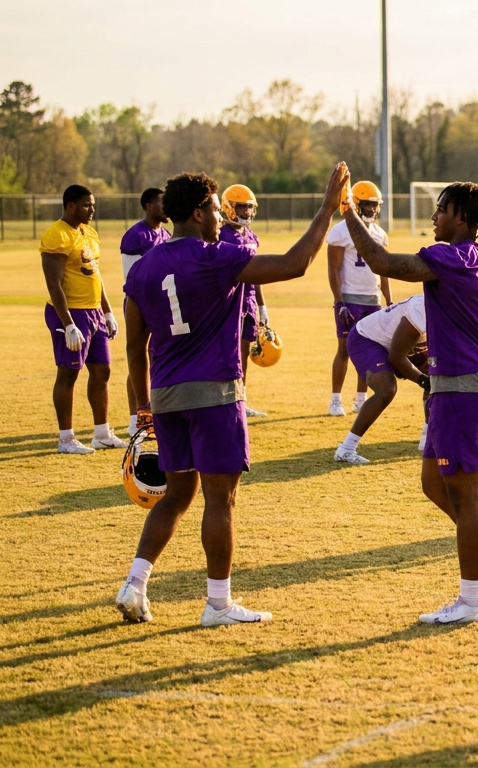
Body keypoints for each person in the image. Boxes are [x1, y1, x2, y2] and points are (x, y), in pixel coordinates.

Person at [115, 163, 350, 626]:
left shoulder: (143, 268)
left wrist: (142, 407)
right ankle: (218, 605)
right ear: (198, 213)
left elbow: (134, 347)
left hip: (165, 396)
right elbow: (295, 263)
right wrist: (328, 207)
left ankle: (135, 584)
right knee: (220, 500)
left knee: (176, 496)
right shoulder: (215, 257)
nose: (221, 217)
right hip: (215, 394)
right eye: (215, 209)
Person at [344, 181, 478, 624]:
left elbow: (381, 261)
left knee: (465, 495)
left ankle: (471, 601)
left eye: (441, 209)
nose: (434, 217)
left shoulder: (449, 257)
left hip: (461, 387)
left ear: (462, 217)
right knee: (435, 484)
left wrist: (346, 210)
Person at [41, 184, 125, 454]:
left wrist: (107, 311)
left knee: (102, 371)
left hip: (93, 312)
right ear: (71, 206)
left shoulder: (89, 232)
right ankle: (66, 439)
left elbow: (95, 275)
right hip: (71, 313)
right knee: (68, 373)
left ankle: (101, 433)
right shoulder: (57, 234)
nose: (92, 210)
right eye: (87, 205)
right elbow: (54, 284)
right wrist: (68, 325)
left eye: (93, 205)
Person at [333, 294, 428, 464]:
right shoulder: (421, 309)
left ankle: (428, 440)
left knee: (438, 376)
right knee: (386, 390)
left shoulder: (447, 308)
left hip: (397, 342)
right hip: (367, 339)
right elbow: (396, 357)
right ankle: (346, 449)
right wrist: (422, 380)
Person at [326, 180, 392, 416]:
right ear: (356, 204)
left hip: (372, 299)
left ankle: (361, 398)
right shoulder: (340, 231)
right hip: (350, 298)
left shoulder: (379, 234)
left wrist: (389, 301)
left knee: (367, 350)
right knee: (344, 349)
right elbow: (333, 269)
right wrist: (339, 301)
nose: (372, 209)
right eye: (368, 204)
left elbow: (384, 270)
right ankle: (335, 400)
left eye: (375, 205)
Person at [119, 187, 171, 437]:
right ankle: (136, 419)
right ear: (149, 206)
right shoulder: (135, 235)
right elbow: (132, 278)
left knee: (156, 358)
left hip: (163, 302)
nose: (166, 207)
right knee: (137, 358)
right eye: (162, 202)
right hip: (139, 304)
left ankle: (155, 414)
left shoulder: (166, 233)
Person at [218, 184, 269, 417]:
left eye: (249, 207)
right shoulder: (221, 234)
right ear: (229, 207)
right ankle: (225, 400)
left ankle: (240, 398)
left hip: (248, 301)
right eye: (241, 207)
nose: (246, 212)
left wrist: (262, 306)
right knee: (229, 353)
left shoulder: (251, 236)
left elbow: (257, 273)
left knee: (244, 352)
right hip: (229, 300)